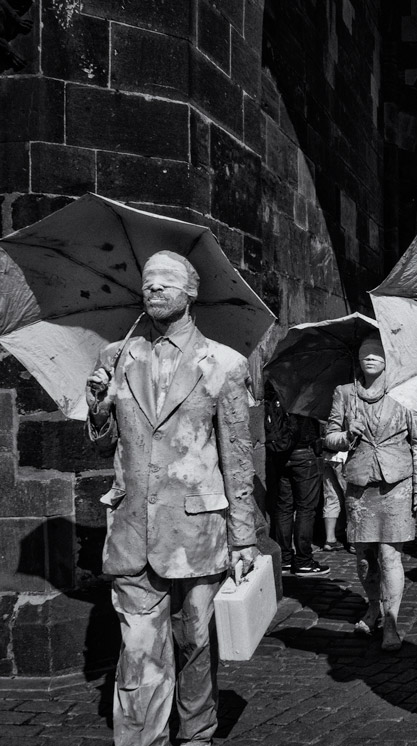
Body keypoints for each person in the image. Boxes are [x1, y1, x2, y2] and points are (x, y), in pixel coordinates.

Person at [85, 250, 258, 746]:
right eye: (148, 282)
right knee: (138, 649)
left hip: (197, 530)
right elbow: (100, 437)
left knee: (195, 644)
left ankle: (198, 732)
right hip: (132, 525)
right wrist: (97, 403)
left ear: (191, 292)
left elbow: (238, 455)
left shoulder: (225, 364)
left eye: (166, 282)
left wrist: (243, 538)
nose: (154, 289)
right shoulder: (116, 356)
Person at [326, 335, 417, 652]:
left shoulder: (404, 394)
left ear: (389, 359)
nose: (369, 356)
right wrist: (345, 436)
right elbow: (328, 437)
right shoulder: (344, 394)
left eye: (377, 352)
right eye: (364, 352)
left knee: (389, 555)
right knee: (364, 560)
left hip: (396, 483)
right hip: (360, 485)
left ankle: (392, 622)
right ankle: (373, 606)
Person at [263, 383, 328, 576]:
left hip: (281, 455)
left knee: (284, 507)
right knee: (306, 509)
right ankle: (303, 560)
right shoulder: (305, 393)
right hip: (304, 453)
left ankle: (284, 558)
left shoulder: (274, 392)